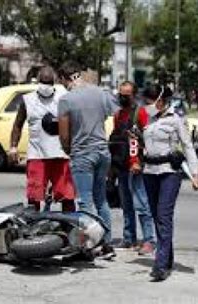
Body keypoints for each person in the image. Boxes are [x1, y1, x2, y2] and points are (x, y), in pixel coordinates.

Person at [142, 84, 198, 281]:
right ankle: (167, 257)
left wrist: (195, 174)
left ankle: (160, 266)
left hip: (169, 172)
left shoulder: (175, 119)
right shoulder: (147, 119)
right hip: (149, 172)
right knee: (156, 216)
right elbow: (147, 146)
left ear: (161, 101)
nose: (147, 104)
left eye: (150, 101)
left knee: (163, 216)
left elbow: (188, 146)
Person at [57, 61, 116, 258]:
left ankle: (88, 246)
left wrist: (68, 150)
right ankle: (107, 244)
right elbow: (111, 113)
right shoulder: (100, 92)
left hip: (83, 153)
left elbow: (64, 134)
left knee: (84, 202)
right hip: (103, 152)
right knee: (101, 199)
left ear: (65, 79)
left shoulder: (67, 99)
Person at [9, 66, 76, 212]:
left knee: (67, 196)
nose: (45, 86)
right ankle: (33, 228)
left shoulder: (64, 97)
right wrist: (13, 147)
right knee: (34, 196)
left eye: (48, 83)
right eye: (43, 82)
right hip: (37, 155)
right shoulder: (28, 100)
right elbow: (17, 125)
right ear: (38, 81)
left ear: (55, 82)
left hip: (61, 154)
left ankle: (69, 228)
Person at [111, 81, 155, 255]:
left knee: (142, 205)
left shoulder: (141, 113)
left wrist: (138, 160)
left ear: (134, 95)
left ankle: (149, 240)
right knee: (126, 204)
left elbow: (148, 138)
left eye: (126, 94)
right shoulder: (118, 115)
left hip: (137, 166)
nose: (122, 97)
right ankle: (129, 238)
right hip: (122, 166)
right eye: (120, 94)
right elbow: (115, 139)